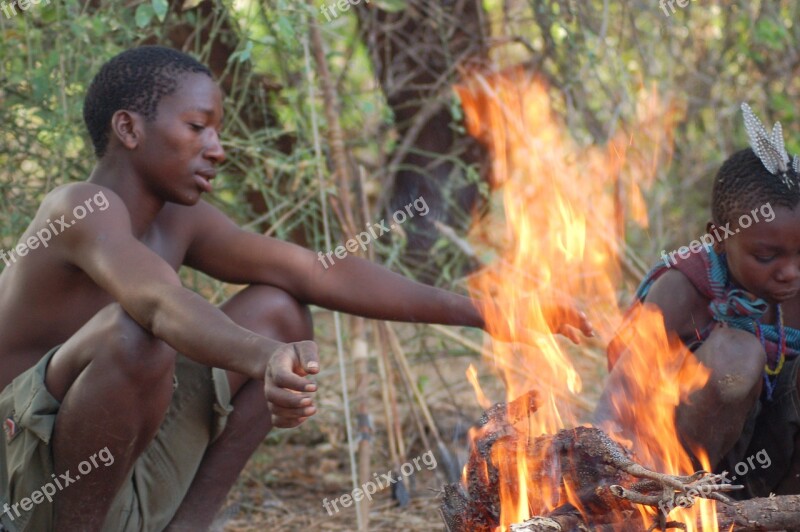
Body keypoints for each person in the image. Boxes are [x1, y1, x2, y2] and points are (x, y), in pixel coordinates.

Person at [0, 46, 591, 531]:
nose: (218, 148)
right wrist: (266, 361)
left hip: (124, 483)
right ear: (128, 128)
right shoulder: (77, 208)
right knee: (137, 330)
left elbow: (315, 270)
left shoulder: (181, 221)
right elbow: (157, 304)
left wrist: (492, 313)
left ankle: (187, 526)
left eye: (218, 130)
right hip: (30, 485)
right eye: (197, 127)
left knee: (279, 310)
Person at [595, 103, 800, 499]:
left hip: (771, 468)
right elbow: (618, 399)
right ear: (720, 237)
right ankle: (679, 504)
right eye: (767, 256)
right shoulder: (683, 286)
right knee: (735, 356)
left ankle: (776, 514)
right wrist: (598, 480)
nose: (790, 272)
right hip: (676, 463)